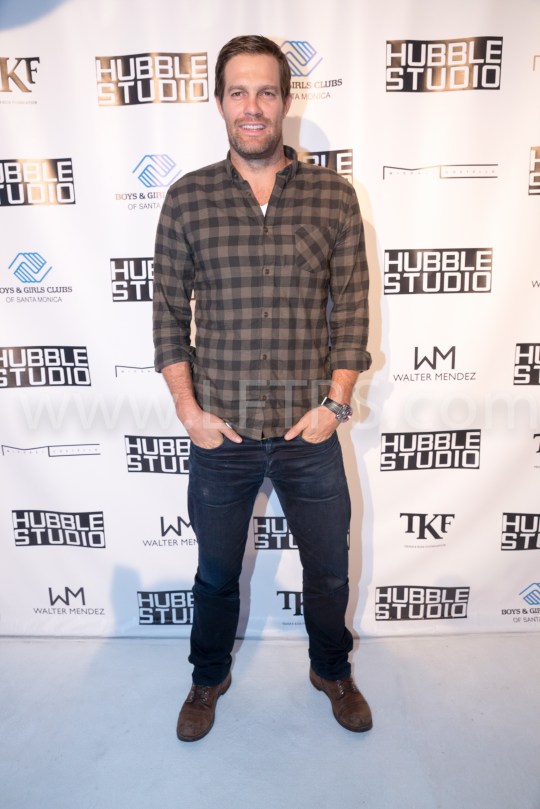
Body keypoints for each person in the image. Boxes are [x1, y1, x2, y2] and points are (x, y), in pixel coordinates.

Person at [153, 34, 372, 742]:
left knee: (329, 571)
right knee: (217, 574)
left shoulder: (333, 197)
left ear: (286, 100)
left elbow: (353, 310)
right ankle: (207, 677)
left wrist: (335, 404)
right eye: (239, 92)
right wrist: (189, 411)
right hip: (222, 433)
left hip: (310, 430)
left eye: (267, 92)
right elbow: (167, 316)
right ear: (220, 102)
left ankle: (331, 670)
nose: (253, 106)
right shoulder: (188, 198)